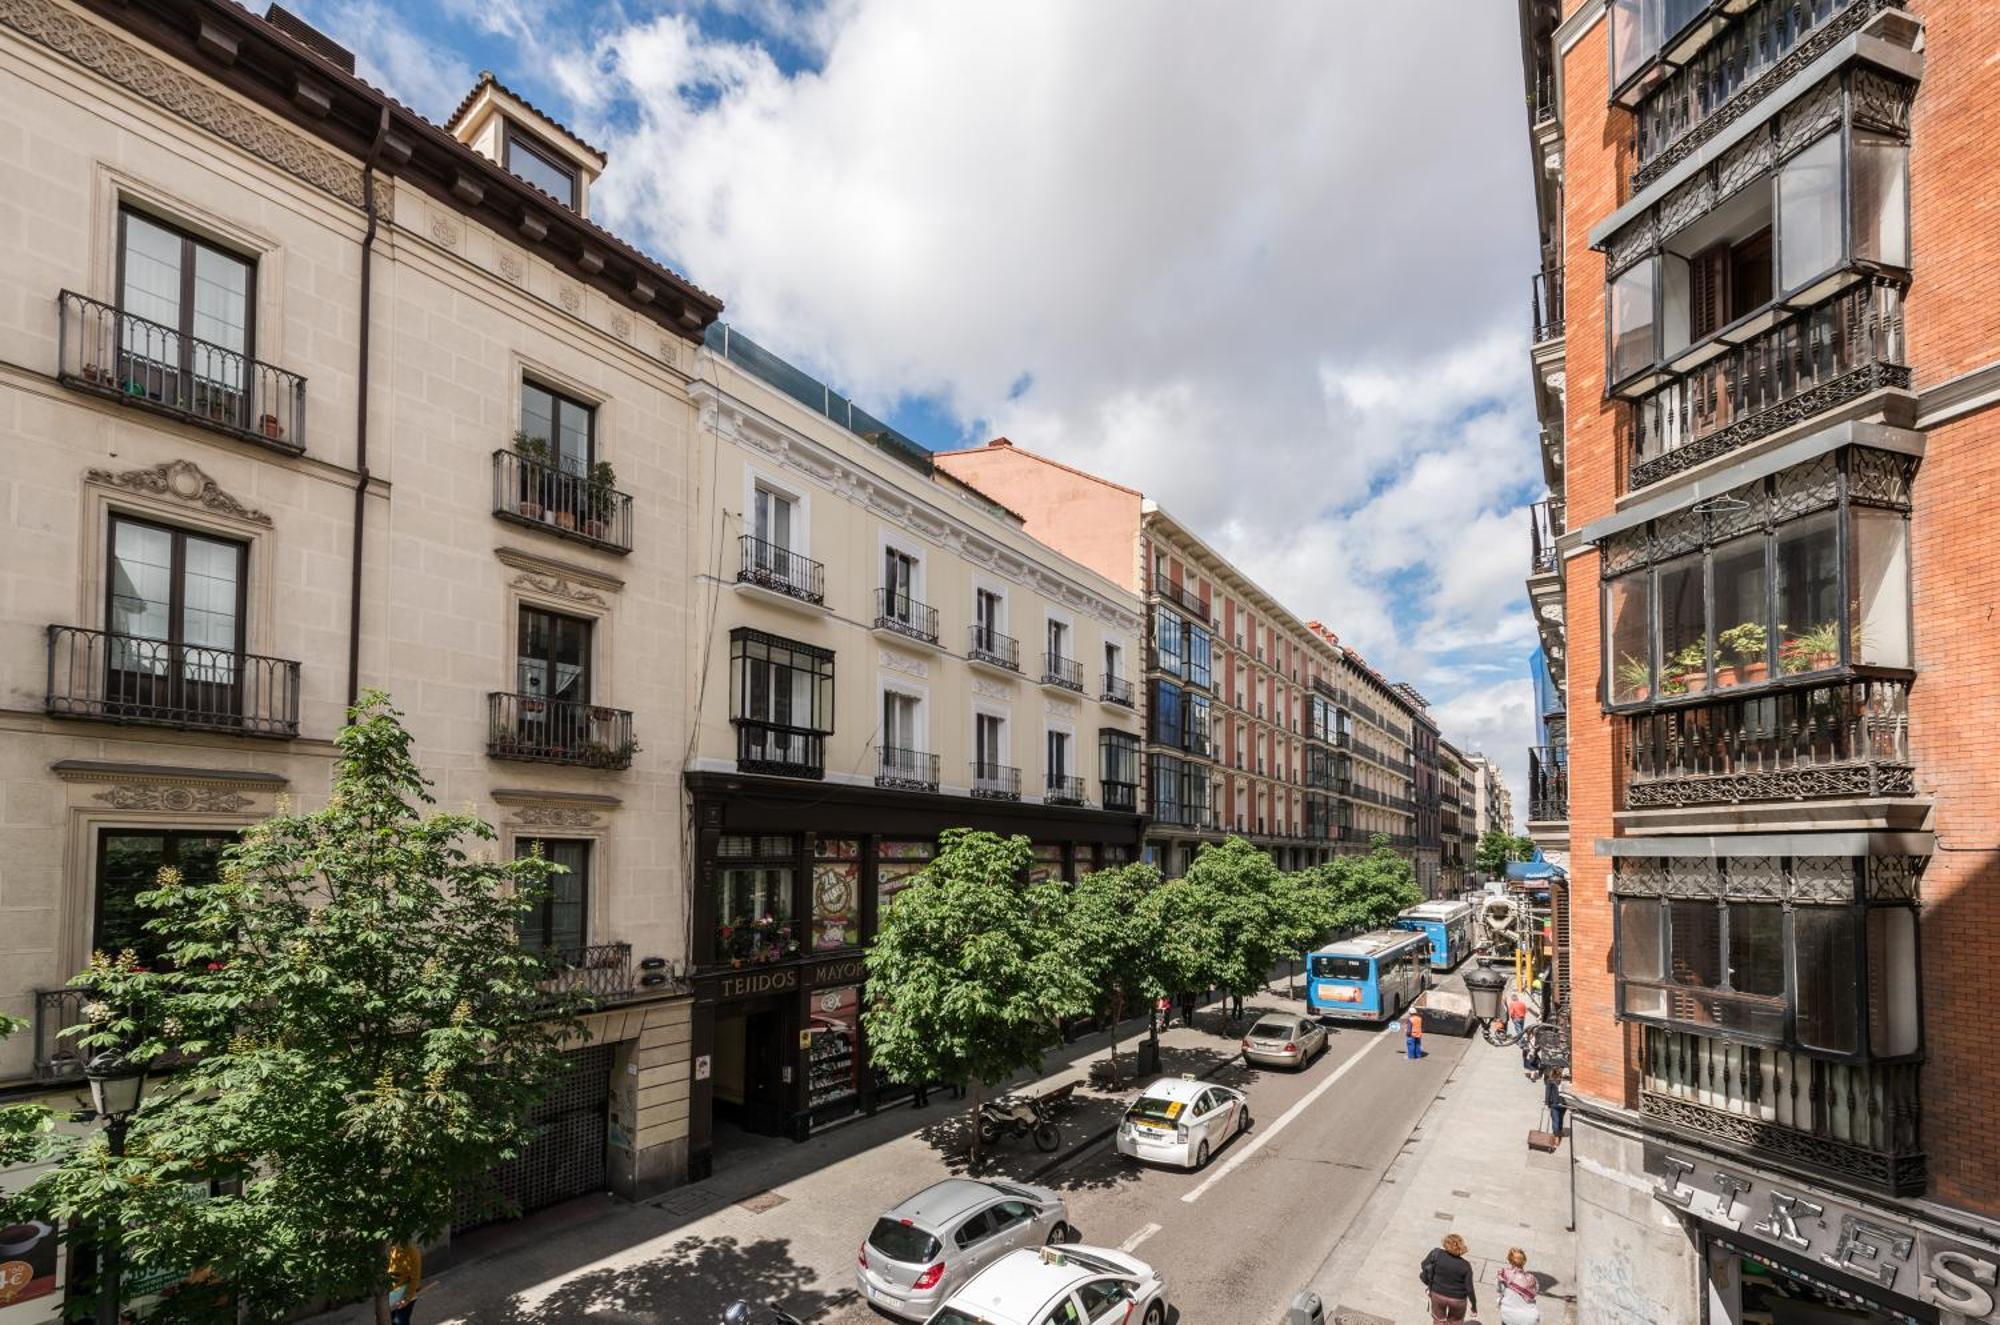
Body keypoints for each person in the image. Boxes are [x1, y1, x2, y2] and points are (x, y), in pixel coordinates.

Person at [1419, 1232, 1477, 1322]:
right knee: (1456, 1321)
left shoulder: (1436, 1253)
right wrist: (1473, 1305)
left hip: (1437, 1294)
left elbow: (1424, 1266)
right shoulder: (1465, 1265)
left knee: (1438, 1320)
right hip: (1457, 1299)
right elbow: (1469, 1288)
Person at [1498, 1246, 1542, 1325]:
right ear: (1524, 1261)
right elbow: (1535, 1292)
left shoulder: (1503, 1274)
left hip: (1508, 1316)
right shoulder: (1533, 1279)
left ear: (1510, 1261)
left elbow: (1499, 1289)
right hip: (1529, 1319)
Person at [387, 1240, 422, 1325]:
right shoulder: (392, 1248)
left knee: (401, 1321)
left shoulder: (412, 1251)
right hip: (392, 1294)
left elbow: (415, 1278)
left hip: (405, 1294)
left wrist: (406, 1299)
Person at [1543, 1067, 1566, 1137]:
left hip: (1554, 1103)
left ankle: (1556, 1135)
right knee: (1561, 1117)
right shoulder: (1563, 1080)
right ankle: (1560, 1131)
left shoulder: (1550, 1081)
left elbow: (1548, 1093)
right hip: (1563, 1103)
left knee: (1555, 1119)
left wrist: (1547, 1103)